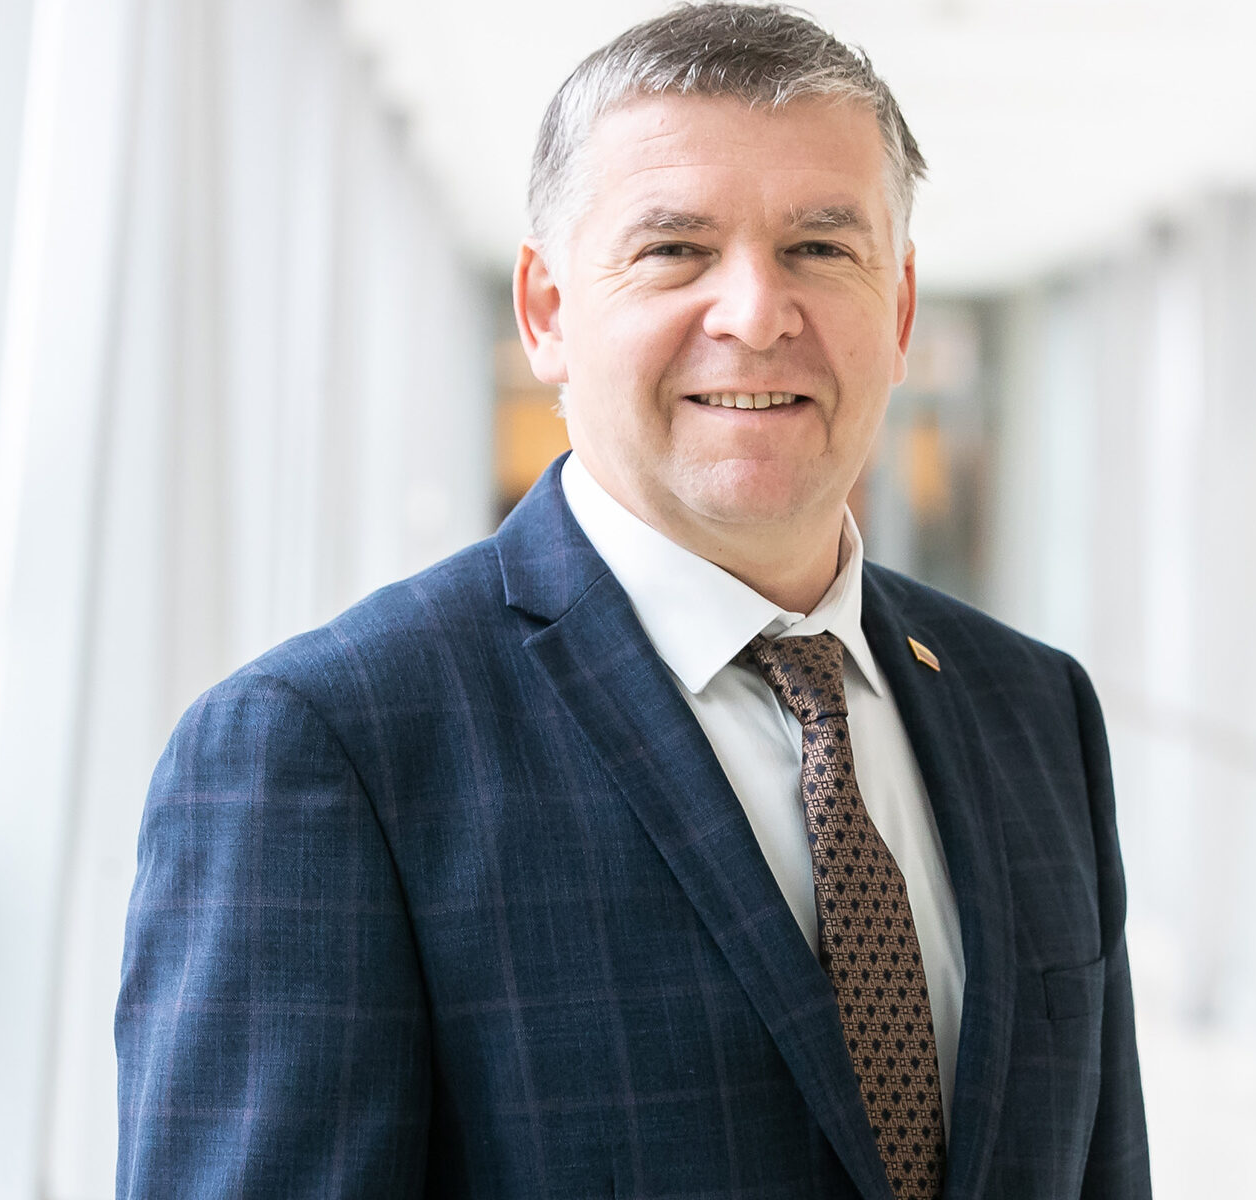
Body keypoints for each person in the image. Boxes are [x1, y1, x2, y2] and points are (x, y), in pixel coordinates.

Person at [114, 4, 1148, 1196]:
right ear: (547, 312)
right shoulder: (329, 751)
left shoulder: (1034, 710)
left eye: (821, 247)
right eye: (675, 250)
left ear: (902, 308)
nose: (757, 314)